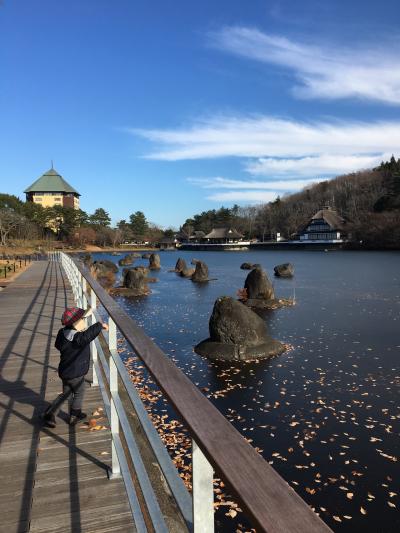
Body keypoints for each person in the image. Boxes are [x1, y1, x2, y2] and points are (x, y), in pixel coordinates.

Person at [40, 306, 108, 428]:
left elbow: (59, 344)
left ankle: (49, 414)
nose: (83, 321)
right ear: (76, 323)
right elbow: (87, 336)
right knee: (79, 391)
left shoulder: (62, 333)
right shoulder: (78, 338)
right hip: (75, 373)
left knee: (65, 393)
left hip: (65, 371)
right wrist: (99, 325)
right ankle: (75, 415)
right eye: (82, 319)